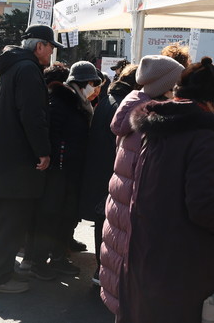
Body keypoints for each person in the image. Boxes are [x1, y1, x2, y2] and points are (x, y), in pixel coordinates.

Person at [120, 57, 214, 323]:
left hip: (147, 253)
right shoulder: (205, 137)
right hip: (184, 264)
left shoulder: (156, 127)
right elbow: (205, 208)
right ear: (213, 101)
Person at [100, 54, 186, 316]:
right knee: (130, 290)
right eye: (176, 84)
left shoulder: (132, 106)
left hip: (120, 206)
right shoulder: (150, 121)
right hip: (134, 211)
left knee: (119, 276)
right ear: (165, 88)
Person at [0, 25, 62, 294]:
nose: (51, 52)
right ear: (40, 46)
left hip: (5, 158)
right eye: (50, 46)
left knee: (9, 222)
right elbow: (32, 115)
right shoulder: (27, 70)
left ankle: (2, 273)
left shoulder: (11, 67)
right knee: (12, 224)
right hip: (18, 161)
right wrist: (43, 151)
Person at [26, 61, 100, 279]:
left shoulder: (78, 102)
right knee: (51, 216)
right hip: (59, 172)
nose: (94, 88)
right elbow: (55, 135)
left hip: (69, 170)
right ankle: (40, 262)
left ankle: (57, 257)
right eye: (92, 83)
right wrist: (58, 164)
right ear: (82, 82)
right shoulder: (62, 101)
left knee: (64, 215)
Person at [81, 63, 136, 287]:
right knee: (109, 223)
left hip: (99, 169)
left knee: (102, 222)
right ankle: (103, 271)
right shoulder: (123, 105)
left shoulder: (108, 98)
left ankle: (100, 268)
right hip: (110, 172)